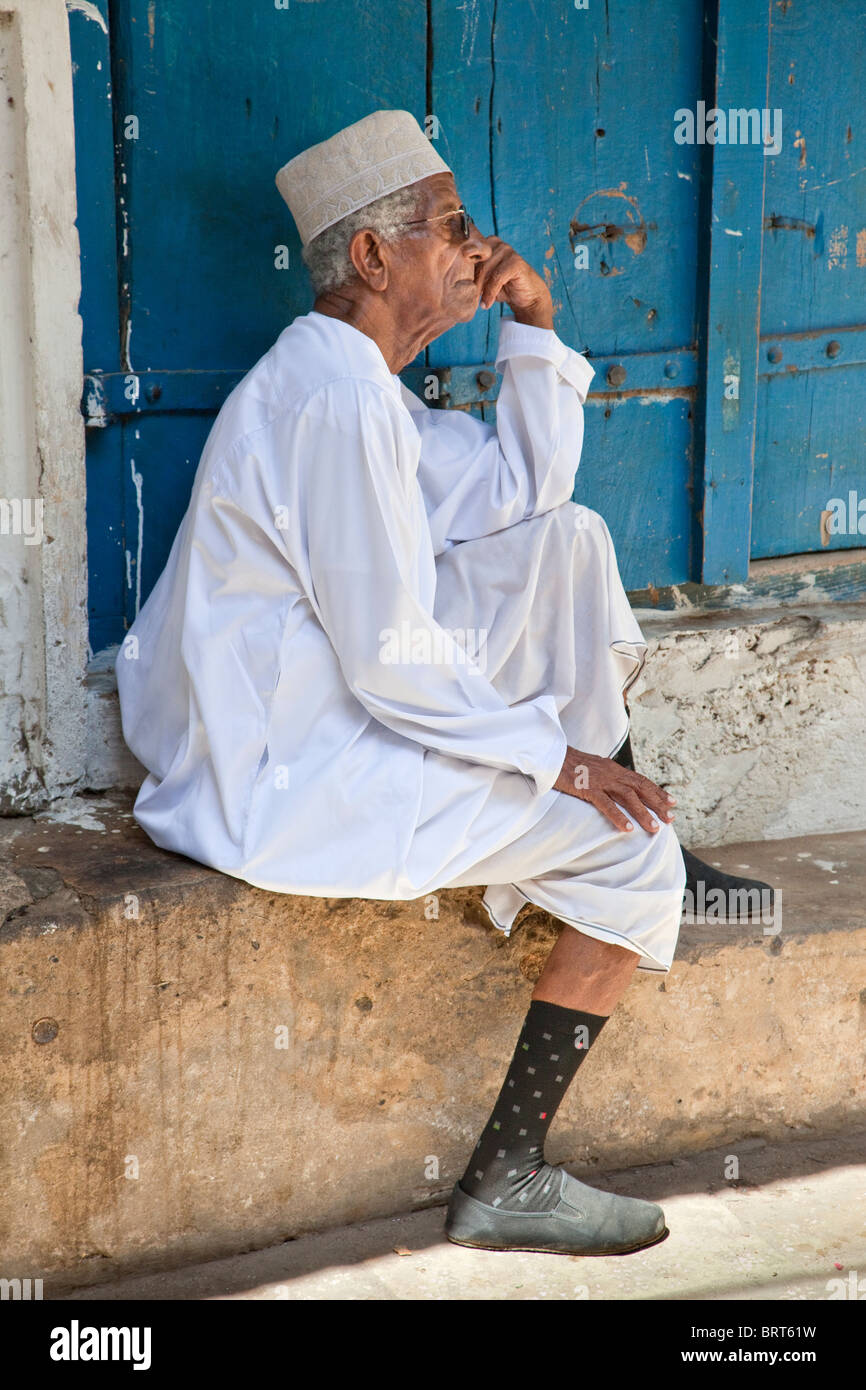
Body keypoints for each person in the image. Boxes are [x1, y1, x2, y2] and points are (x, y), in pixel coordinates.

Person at [116, 109, 772, 1257]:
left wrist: (535, 321)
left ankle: (618, 799)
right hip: (290, 775)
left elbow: (522, 489)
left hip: (311, 716)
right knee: (626, 858)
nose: (475, 246)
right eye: (448, 226)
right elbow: (388, 658)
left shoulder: (356, 385)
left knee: (565, 541)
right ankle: (505, 1173)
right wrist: (546, 757)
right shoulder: (333, 400)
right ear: (371, 259)